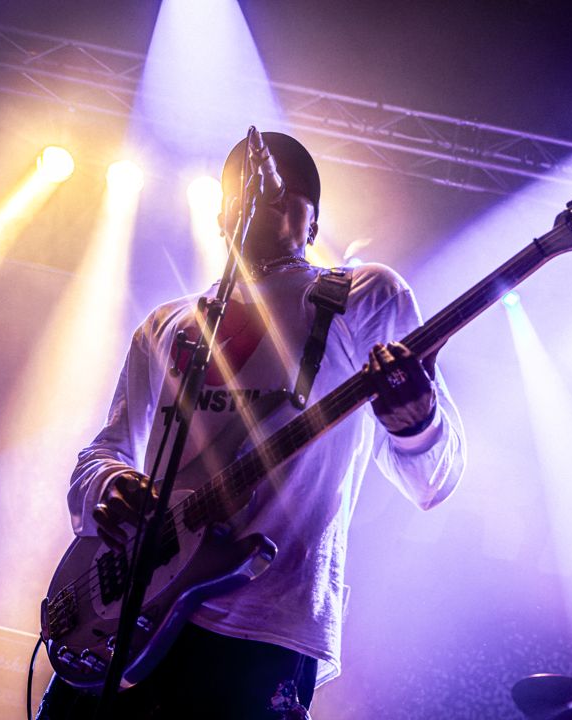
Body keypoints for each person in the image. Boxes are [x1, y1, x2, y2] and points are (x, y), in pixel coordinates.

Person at [38, 130, 466, 719]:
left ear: (315, 224)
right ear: (220, 213)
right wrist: (109, 485)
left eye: (288, 189)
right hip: (127, 616)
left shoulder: (360, 295)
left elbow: (432, 480)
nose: (265, 193)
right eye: (248, 187)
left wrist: (416, 423)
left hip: (263, 627)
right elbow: (104, 451)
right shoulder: (168, 325)